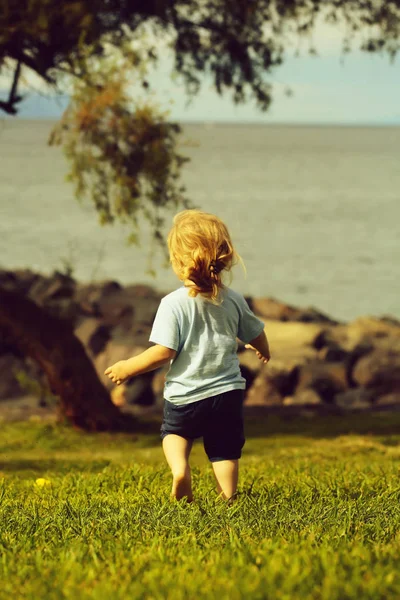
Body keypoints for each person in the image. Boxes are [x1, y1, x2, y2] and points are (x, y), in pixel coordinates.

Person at [105, 210, 271, 503]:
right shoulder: (233, 299)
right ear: (223, 258)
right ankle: (229, 496)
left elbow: (162, 352)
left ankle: (181, 469)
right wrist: (263, 349)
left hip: (185, 394)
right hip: (227, 393)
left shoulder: (172, 304)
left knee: (175, 434)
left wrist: (128, 367)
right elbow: (255, 331)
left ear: (179, 262)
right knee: (224, 449)